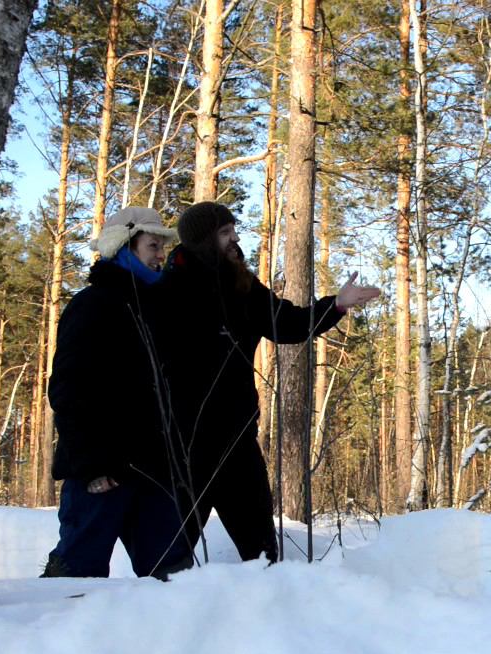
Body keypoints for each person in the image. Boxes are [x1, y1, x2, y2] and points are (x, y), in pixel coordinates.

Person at [156, 201, 380, 564]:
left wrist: (336, 305)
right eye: (225, 232)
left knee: (262, 554)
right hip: (186, 443)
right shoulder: (169, 289)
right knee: (168, 556)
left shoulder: (240, 283)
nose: (234, 239)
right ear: (202, 239)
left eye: (233, 230)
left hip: (236, 438)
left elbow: (287, 322)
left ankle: (268, 613)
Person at [42, 207, 193, 580]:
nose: (162, 255)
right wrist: (91, 465)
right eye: (153, 245)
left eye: (162, 247)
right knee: (77, 576)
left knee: (173, 578)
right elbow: (67, 388)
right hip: (102, 470)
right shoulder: (92, 305)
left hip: (154, 468)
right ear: (123, 246)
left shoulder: (158, 307)